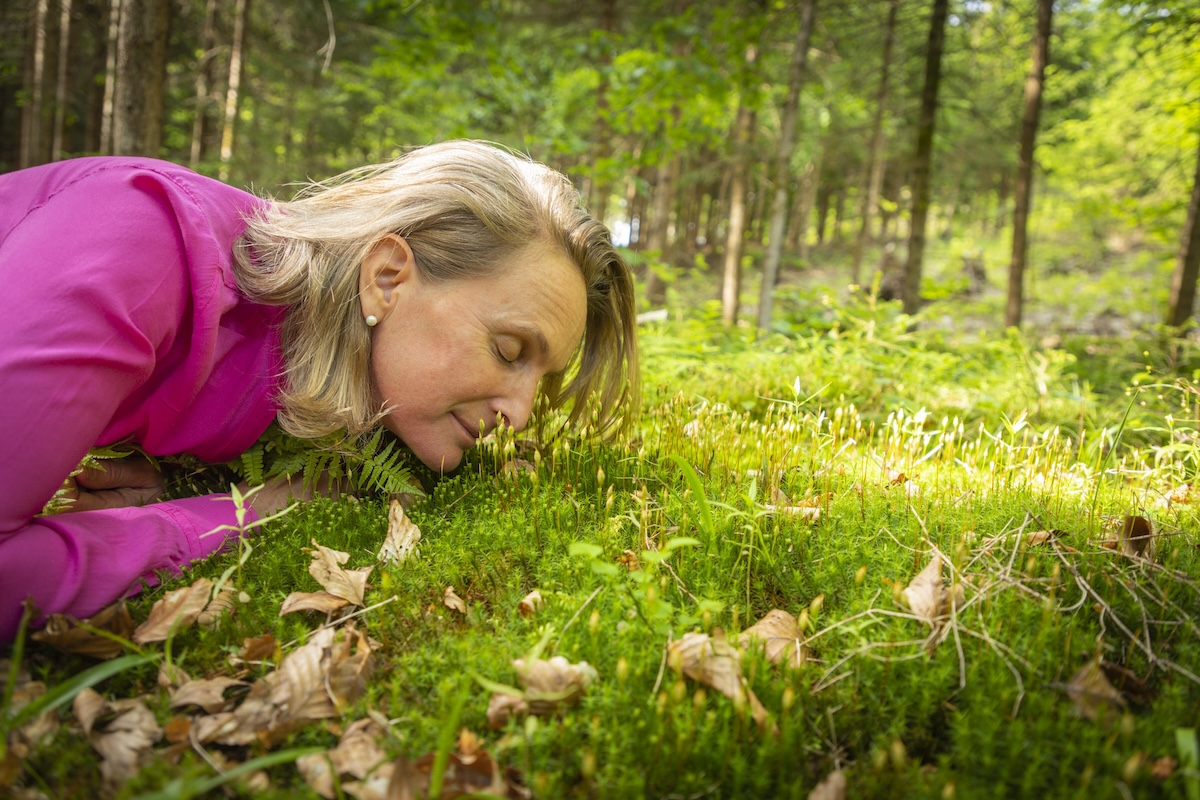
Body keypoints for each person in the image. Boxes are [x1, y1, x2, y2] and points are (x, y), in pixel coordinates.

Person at [0, 140, 639, 643]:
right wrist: (249, 511)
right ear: (387, 278)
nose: (521, 413)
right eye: (507, 350)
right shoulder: (142, 243)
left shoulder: (330, 376)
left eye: (543, 380)